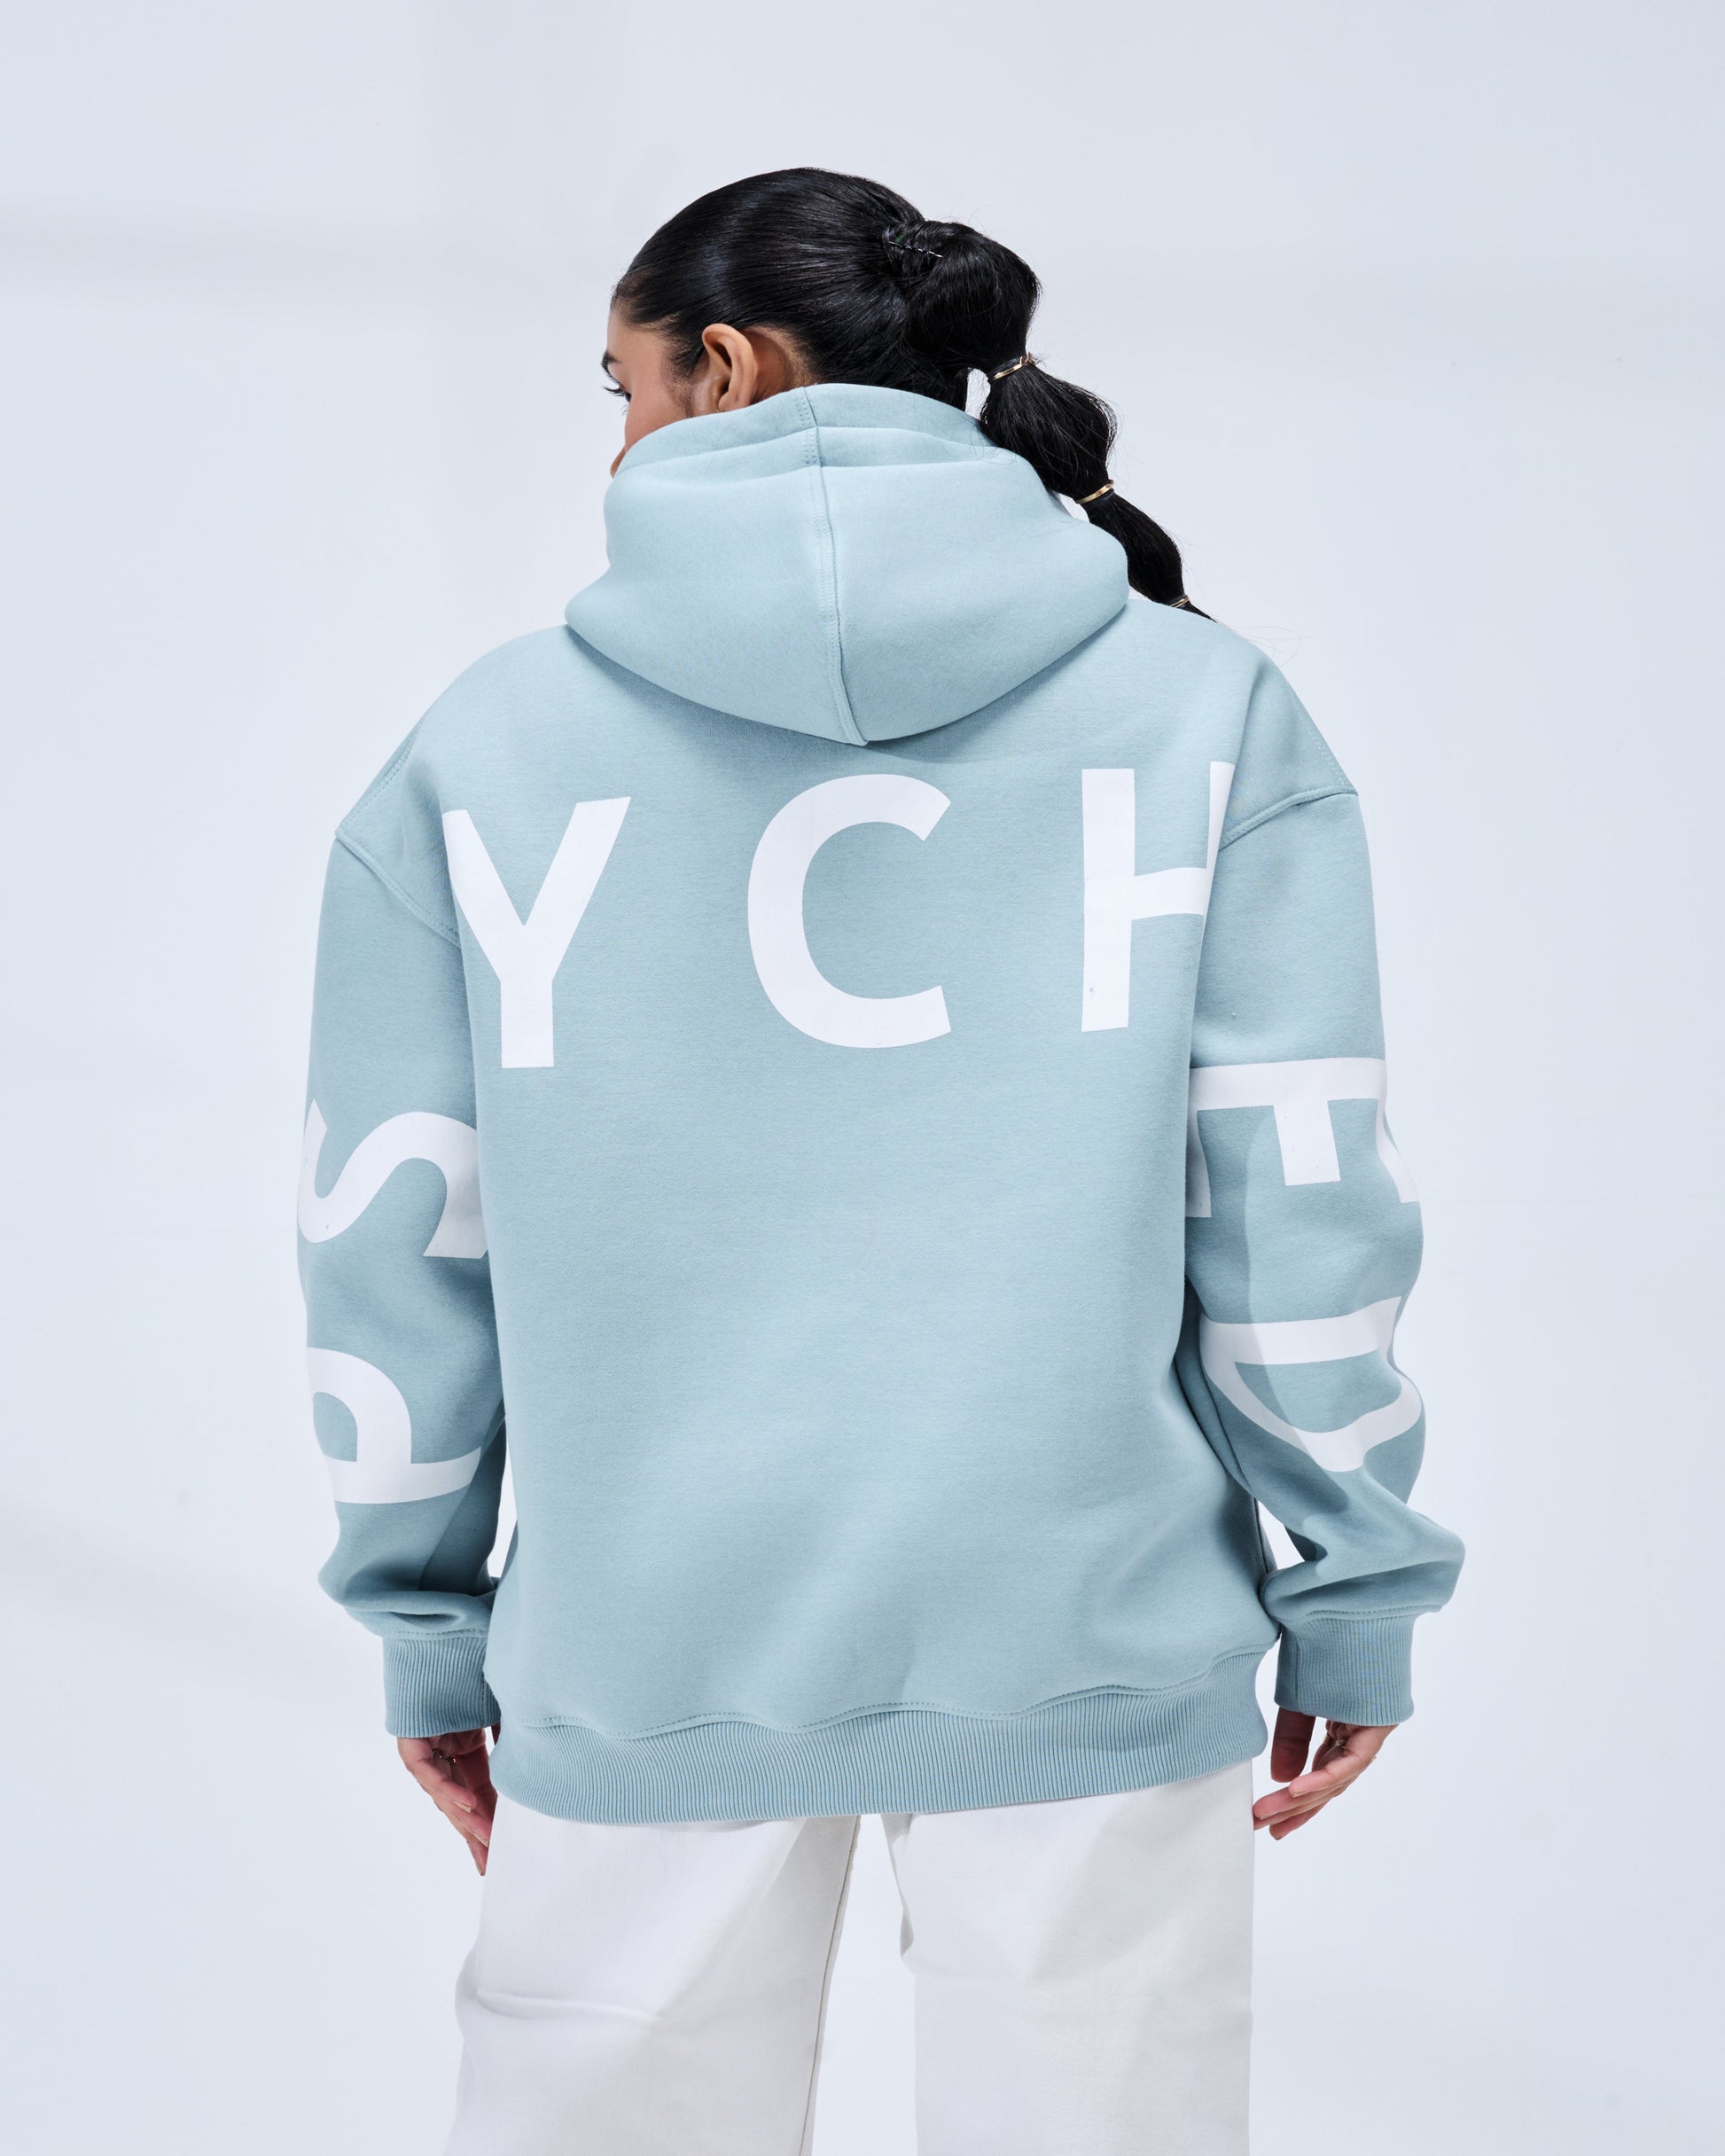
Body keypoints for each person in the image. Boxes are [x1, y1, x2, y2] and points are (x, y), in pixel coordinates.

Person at [299, 167, 1463, 2155]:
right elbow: (1292, 1190)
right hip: (1094, 1622)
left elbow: (397, 1231)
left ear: (725, 364)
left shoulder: (480, 751)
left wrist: (427, 1618)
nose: (616, 439)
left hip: (640, 1636)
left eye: (620, 391)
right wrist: (1353, 1572)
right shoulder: (1204, 708)